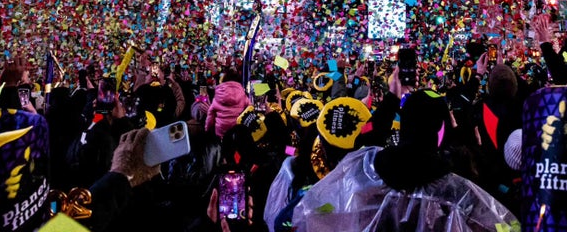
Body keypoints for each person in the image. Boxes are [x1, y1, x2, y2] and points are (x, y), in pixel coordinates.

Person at [293, 91, 519, 231]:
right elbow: (500, 223)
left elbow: (309, 214)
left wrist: (392, 96)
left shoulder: (364, 168)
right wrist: (471, 148)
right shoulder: (458, 186)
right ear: (440, 130)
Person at [206, 70, 249, 139]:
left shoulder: (218, 93)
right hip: (237, 131)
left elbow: (211, 113)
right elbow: (250, 108)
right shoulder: (242, 94)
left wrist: (207, 129)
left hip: (221, 131)